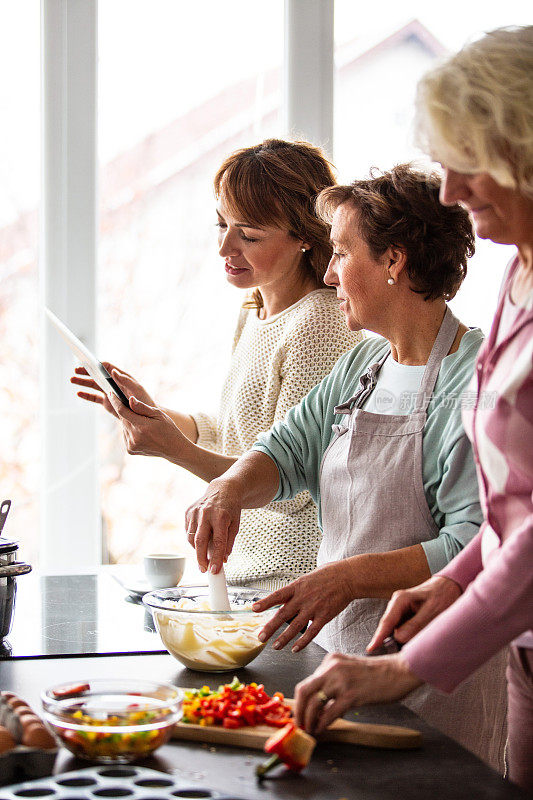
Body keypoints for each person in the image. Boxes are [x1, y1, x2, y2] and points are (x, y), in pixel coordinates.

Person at [185, 163, 507, 769]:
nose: (329, 274)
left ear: (395, 260)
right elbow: (287, 449)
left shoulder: (474, 381)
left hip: (434, 673)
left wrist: (347, 577)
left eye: (339, 253)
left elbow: (474, 543)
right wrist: (227, 489)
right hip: (340, 660)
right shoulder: (364, 361)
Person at [292, 26, 533, 792]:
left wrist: (406, 666)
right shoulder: (516, 279)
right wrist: (457, 580)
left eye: (466, 163)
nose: (452, 191)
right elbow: (509, 520)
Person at [72, 138, 362, 590]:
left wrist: (174, 449)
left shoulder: (320, 323)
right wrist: (157, 416)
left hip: (291, 584)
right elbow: (238, 433)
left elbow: (293, 488)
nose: (225, 247)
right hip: (243, 577)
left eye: (248, 235)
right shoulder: (255, 311)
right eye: (221, 225)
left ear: (306, 237)